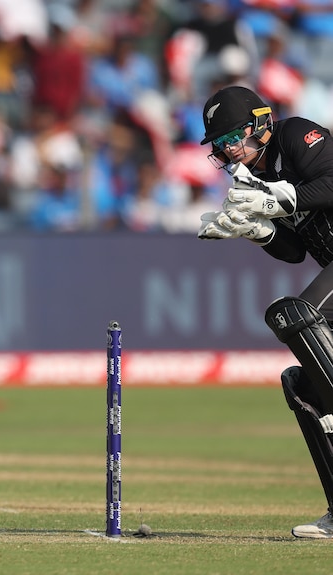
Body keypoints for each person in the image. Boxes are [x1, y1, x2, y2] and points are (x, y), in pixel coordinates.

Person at [196, 85, 333, 538]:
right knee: (304, 387)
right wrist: (259, 231)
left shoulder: (295, 135)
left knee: (296, 317)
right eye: (220, 144)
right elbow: (295, 252)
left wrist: (278, 200)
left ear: (261, 123)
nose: (228, 150)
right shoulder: (248, 180)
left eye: (233, 137)